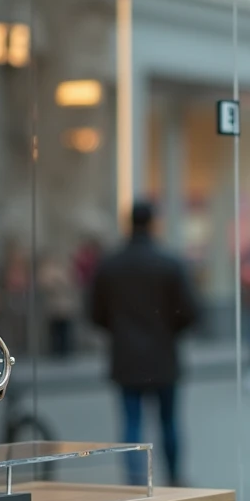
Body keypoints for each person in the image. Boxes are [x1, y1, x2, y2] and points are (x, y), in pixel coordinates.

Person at [89, 201, 198, 486]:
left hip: (126, 355)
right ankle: (174, 477)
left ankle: (136, 481)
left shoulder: (111, 265)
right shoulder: (169, 263)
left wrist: (119, 330)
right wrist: (168, 330)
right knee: (169, 422)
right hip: (162, 354)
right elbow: (189, 311)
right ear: (152, 223)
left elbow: (94, 313)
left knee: (131, 423)